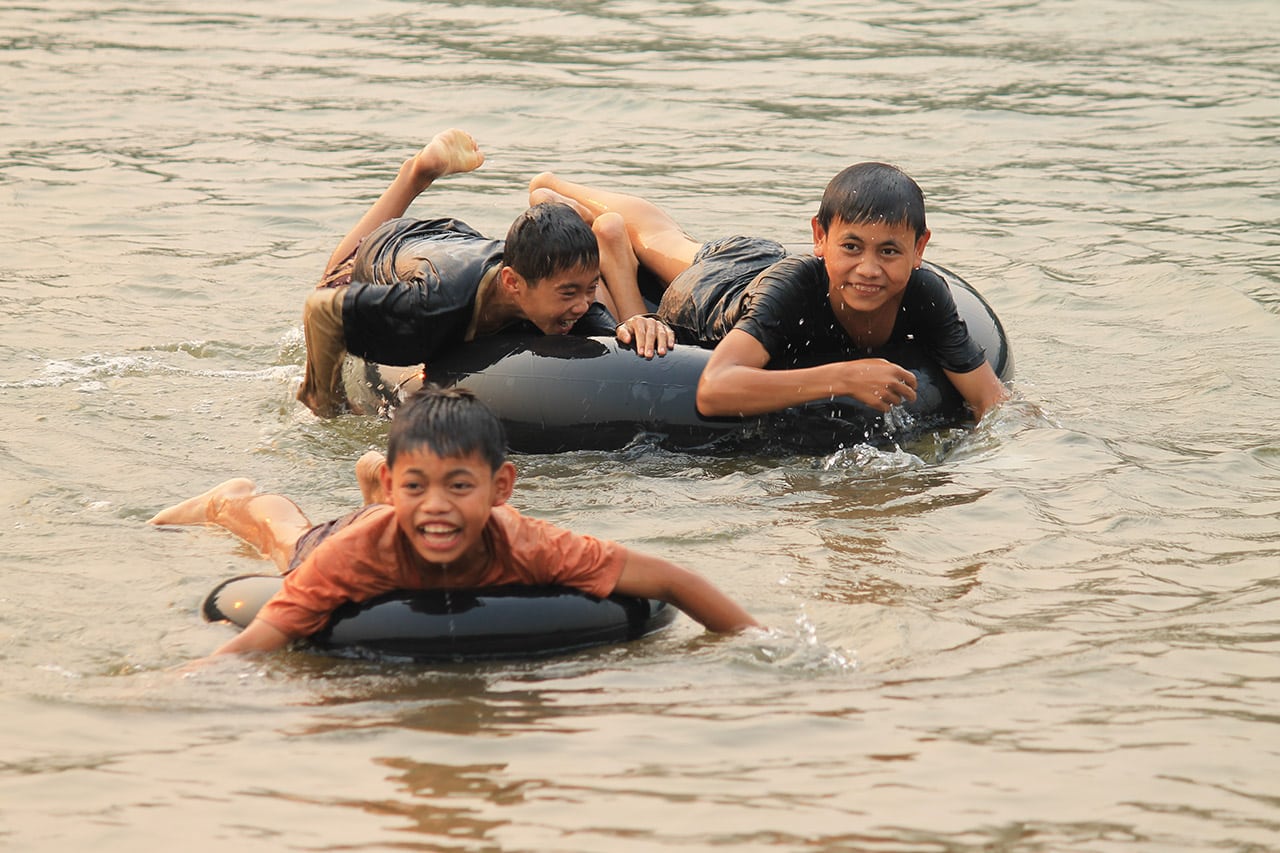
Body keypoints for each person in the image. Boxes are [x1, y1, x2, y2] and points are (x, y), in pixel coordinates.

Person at [150, 385, 759, 660]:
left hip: (394, 519)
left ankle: (377, 488)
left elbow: (674, 581)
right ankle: (229, 499)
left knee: (411, 515)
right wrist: (192, 681)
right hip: (357, 539)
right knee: (287, 538)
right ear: (399, 484)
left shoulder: (531, 543)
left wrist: (760, 644)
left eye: (460, 486)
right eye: (417, 485)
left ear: (501, 489)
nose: (439, 502)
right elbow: (264, 634)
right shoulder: (354, 556)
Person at [528, 163, 1009, 421]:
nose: (869, 269)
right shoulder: (796, 290)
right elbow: (715, 389)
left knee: (674, 239)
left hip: (761, 261)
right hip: (715, 287)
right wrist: (842, 378)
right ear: (819, 238)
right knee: (667, 246)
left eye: (889, 251)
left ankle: (610, 236)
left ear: (919, 248)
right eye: (851, 247)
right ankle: (562, 194)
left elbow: (991, 399)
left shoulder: (926, 294)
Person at [298, 129, 676, 417]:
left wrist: (638, 323)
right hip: (397, 245)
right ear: (513, 283)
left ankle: (556, 210)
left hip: (464, 242)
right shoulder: (428, 305)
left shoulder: (571, 300)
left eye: (591, 288)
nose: (582, 305)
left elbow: (615, 348)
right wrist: (324, 399)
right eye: (568, 293)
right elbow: (322, 309)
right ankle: (416, 173)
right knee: (333, 278)